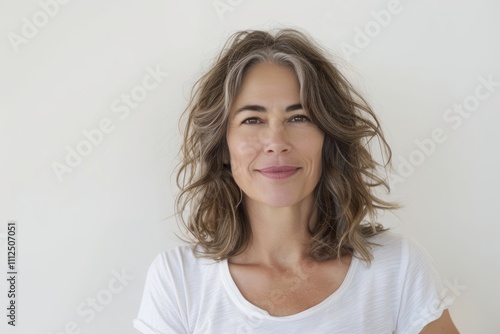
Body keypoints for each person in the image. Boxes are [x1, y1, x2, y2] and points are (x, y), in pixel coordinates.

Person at [133, 28, 459, 333]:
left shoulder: (397, 268)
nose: (276, 141)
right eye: (252, 119)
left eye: (299, 117)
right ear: (223, 148)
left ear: (327, 139)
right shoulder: (179, 280)